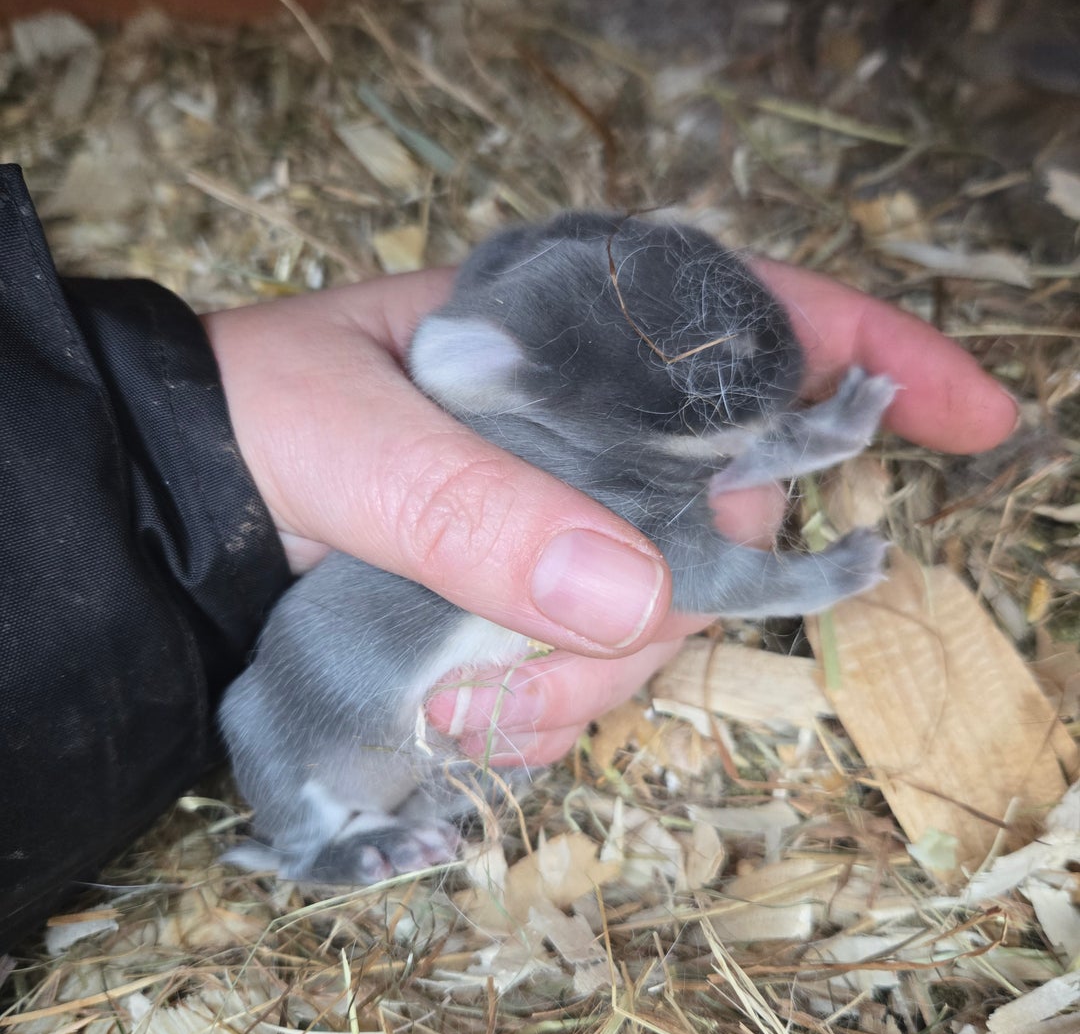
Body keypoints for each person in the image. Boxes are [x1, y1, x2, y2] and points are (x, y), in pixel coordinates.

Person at [0, 164, 1018, 952]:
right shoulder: (548, 442)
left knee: (488, 743)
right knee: (289, 754)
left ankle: (416, 809)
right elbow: (703, 555)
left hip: (313, 693)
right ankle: (319, 847)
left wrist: (825, 429)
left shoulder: (562, 414)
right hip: (322, 712)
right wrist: (822, 574)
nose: (760, 390)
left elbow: (721, 445)